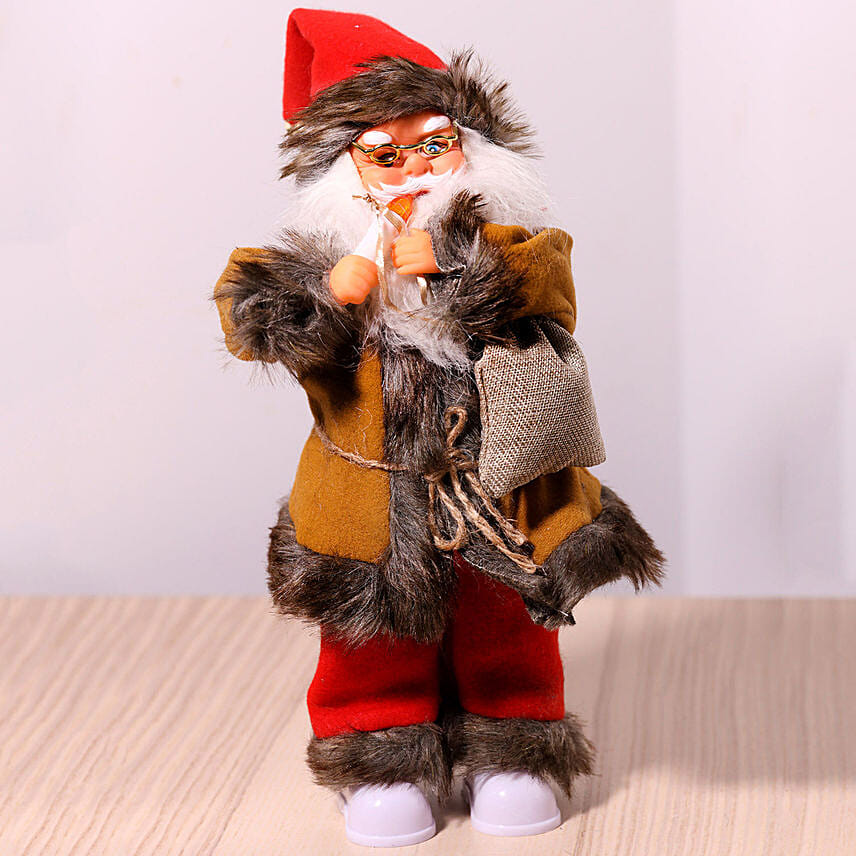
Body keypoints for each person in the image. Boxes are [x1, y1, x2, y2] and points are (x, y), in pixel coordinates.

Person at [214, 9, 664, 847]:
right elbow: (251, 321)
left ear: (470, 146)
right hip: (369, 502)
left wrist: (463, 267)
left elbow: (549, 293)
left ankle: (516, 744)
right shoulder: (318, 255)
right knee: (371, 637)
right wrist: (328, 296)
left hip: (502, 485)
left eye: (434, 144)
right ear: (342, 168)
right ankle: (378, 756)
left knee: (509, 622)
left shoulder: (513, 243)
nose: (415, 168)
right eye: (384, 155)